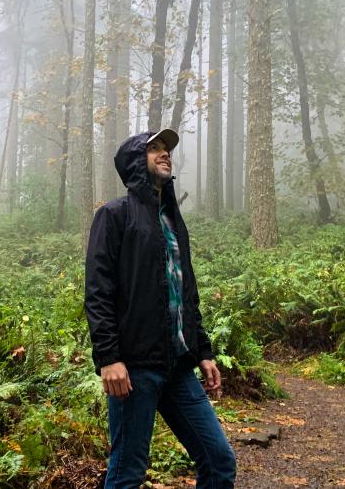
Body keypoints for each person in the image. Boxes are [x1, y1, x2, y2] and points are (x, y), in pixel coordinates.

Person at [84, 129, 237, 489]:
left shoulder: (172, 220)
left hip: (178, 367)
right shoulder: (114, 215)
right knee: (127, 475)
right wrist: (109, 358)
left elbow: (185, 291)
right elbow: (98, 292)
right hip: (134, 370)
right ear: (137, 162)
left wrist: (202, 351)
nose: (164, 153)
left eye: (166, 149)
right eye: (154, 149)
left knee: (218, 461)